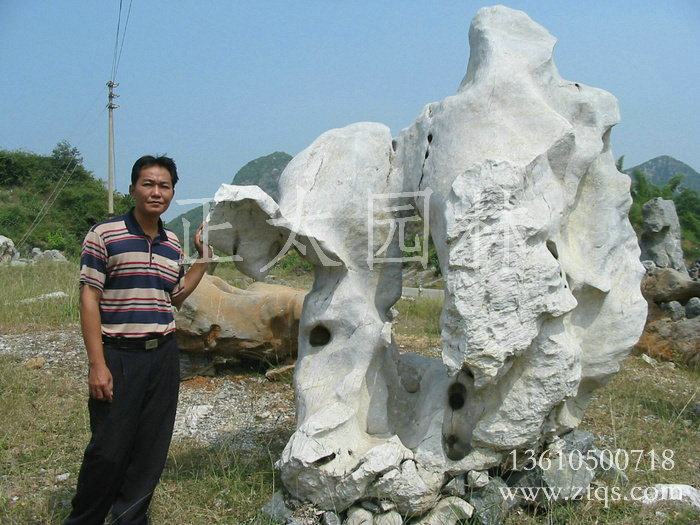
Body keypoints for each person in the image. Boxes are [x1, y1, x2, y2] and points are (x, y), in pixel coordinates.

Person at [64, 155, 211, 525]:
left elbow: (173, 295)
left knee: (151, 448)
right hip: (118, 355)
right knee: (109, 449)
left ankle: (130, 518)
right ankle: (85, 518)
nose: (156, 192)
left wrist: (203, 260)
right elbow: (89, 298)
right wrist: (97, 365)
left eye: (164, 186)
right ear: (133, 189)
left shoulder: (171, 243)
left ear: (173, 193)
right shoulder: (105, 235)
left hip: (162, 354)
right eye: (148, 184)